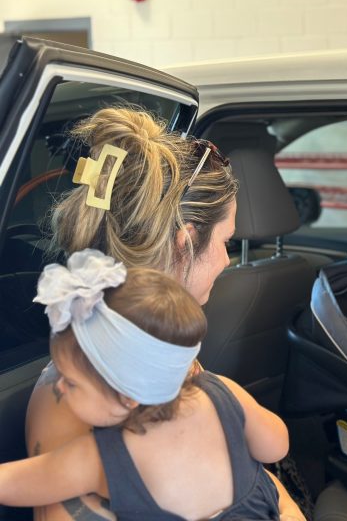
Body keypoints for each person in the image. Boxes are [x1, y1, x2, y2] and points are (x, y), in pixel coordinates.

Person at [24, 107, 305, 521]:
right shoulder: (73, 394)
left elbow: (249, 474)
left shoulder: (161, 346)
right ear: (185, 242)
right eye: (226, 243)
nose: (228, 262)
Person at [2, 248, 289, 520]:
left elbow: (13, 484)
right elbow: (276, 447)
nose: (59, 388)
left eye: (72, 383)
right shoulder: (224, 392)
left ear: (128, 396)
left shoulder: (102, 459)